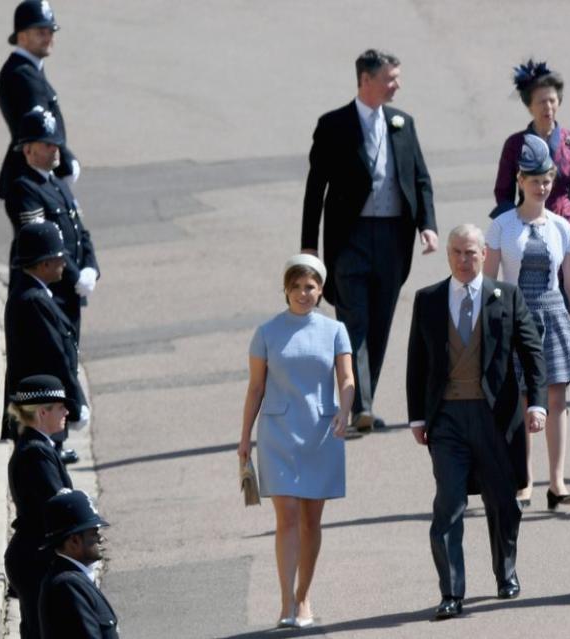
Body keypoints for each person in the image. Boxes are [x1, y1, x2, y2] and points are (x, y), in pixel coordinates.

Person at [407, 224, 547, 620]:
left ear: (485, 254)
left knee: (502, 502)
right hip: (447, 420)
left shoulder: (507, 296)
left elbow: (532, 353)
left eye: (471, 253)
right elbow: (417, 362)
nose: (464, 261)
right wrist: (417, 415)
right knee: (448, 504)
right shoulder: (429, 299)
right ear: (447, 254)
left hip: (496, 419)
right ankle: (451, 592)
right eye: (456, 253)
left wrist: (536, 404)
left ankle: (506, 571)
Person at [301, 48, 438, 433]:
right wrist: (309, 244)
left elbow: (420, 179)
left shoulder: (402, 122)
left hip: (393, 237)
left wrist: (427, 225)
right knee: (353, 320)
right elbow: (316, 188)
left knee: (380, 322)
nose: (397, 85)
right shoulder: (334, 125)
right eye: (389, 78)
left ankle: (364, 401)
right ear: (365, 80)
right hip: (351, 239)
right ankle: (360, 404)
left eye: (397, 78)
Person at [238, 254, 355, 628]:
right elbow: (255, 388)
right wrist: (244, 441)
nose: (303, 293)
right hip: (278, 434)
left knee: (311, 520)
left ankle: (305, 596)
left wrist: (345, 409)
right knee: (286, 516)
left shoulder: (335, 330)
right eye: (296, 286)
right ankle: (286, 601)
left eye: (310, 287)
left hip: (321, 433)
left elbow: (348, 379)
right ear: (285, 289)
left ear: (320, 290)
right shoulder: (267, 332)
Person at [485, 134, 570, 510]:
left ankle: (557, 481)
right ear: (520, 182)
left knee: (557, 399)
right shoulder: (502, 226)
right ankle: (523, 479)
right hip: (515, 317)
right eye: (534, 180)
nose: (542, 187)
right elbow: (490, 283)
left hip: (554, 315)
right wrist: (490, 330)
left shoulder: (562, 226)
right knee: (523, 399)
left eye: (546, 180)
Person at [492, 59, 570, 274]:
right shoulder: (515, 144)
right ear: (529, 106)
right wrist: (509, 228)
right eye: (541, 101)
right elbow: (503, 192)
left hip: (567, 225)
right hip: (527, 226)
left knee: (568, 291)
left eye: (552, 100)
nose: (548, 107)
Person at [6, 107, 99, 342]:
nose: (55, 149)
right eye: (47, 144)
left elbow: (80, 231)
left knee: (70, 357)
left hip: (70, 292)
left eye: (56, 143)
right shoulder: (24, 189)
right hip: (50, 294)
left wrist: (91, 269)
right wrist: (75, 276)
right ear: (28, 149)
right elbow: (43, 243)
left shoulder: (58, 184)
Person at [2, 222, 88, 466]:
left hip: (43, 406)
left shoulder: (35, 295)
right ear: (44, 264)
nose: (64, 264)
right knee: (43, 470)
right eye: (59, 258)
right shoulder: (33, 301)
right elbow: (55, 356)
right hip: (41, 405)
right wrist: (75, 401)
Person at [4, 375, 75, 639]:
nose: (67, 411)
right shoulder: (36, 453)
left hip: (34, 556)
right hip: (36, 559)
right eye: (60, 407)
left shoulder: (39, 447)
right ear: (43, 412)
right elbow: (57, 506)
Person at [0, 0, 79, 203]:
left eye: (51, 32)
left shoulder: (28, 70)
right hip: (33, 181)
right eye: (41, 32)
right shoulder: (22, 75)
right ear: (22, 36)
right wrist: (67, 164)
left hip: (37, 178)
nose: (48, 38)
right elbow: (40, 130)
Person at [38, 490, 118, 638]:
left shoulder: (75, 578)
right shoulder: (68, 587)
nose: (101, 539)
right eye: (94, 533)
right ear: (74, 541)